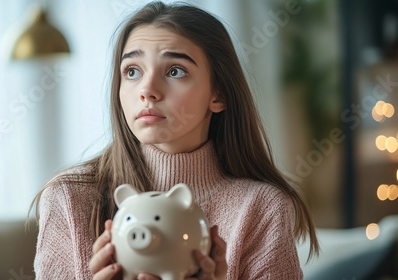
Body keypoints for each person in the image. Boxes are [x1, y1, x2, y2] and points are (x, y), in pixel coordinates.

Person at [31, 1, 319, 279]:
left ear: (218, 93)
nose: (147, 90)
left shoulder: (262, 208)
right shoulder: (68, 198)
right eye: (132, 72)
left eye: (175, 71)